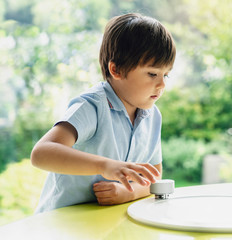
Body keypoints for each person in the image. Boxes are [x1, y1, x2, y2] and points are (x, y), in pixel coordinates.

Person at [31, 13, 176, 213]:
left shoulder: (152, 115)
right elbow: (41, 153)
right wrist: (105, 166)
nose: (161, 85)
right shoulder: (92, 106)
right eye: (152, 74)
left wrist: (129, 192)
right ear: (115, 70)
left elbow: (154, 177)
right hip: (61, 223)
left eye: (166, 75)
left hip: (104, 221)